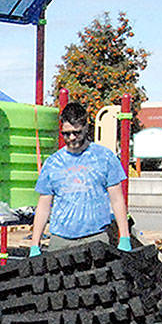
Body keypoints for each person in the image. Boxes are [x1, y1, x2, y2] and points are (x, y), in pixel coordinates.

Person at [29, 102, 132, 255]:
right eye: (66, 133)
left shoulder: (105, 158)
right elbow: (44, 206)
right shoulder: (53, 163)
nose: (72, 138)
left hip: (95, 237)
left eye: (77, 132)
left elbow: (117, 200)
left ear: (86, 128)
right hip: (60, 240)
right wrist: (34, 244)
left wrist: (124, 237)